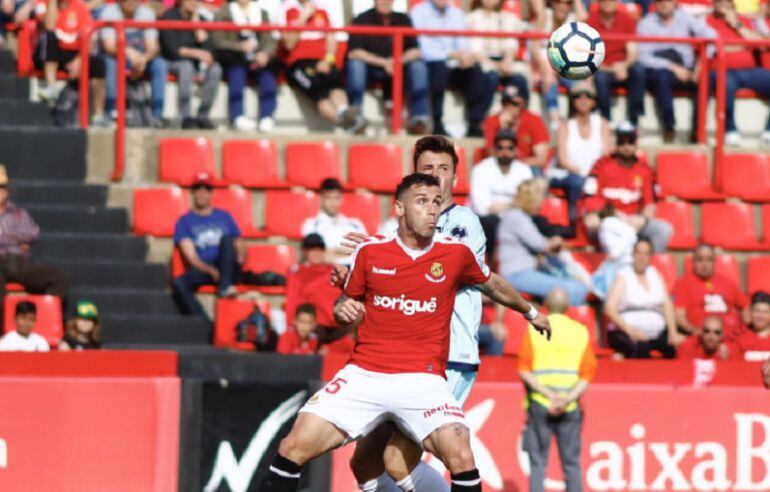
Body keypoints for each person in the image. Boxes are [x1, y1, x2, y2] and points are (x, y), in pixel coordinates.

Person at [259, 173, 552, 491]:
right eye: (422, 201)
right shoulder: (370, 252)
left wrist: (530, 311)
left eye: (437, 202)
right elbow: (348, 304)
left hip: (422, 379)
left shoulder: (455, 253)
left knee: (460, 452)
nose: (431, 210)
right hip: (365, 374)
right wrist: (343, 310)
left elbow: (492, 283)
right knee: (293, 446)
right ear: (399, 207)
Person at [333, 135, 491, 491]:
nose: (436, 176)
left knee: (397, 459)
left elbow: (443, 266)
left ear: (456, 178)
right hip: (399, 362)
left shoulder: (464, 224)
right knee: (364, 463)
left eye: (444, 169)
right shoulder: (398, 234)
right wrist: (356, 273)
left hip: (449, 357)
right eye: (427, 170)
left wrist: (377, 249)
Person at [519, 287, 596, 492]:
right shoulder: (580, 331)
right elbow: (587, 375)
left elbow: (524, 371)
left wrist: (550, 396)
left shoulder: (532, 329)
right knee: (571, 464)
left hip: (540, 404)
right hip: (570, 407)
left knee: (538, 464)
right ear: (568, 307)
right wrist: (565, 399)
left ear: (546, 306)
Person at [582, 122, 672, 252]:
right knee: (605, 225)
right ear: (616, 143)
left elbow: (650, 203)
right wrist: (613, 214)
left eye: (630, 142)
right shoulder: (601, 166)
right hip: (607, 218)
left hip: (633, 221)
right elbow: (590, 199)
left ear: (636, 143)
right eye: (622, 142)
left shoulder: (646, 170)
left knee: (664, 229)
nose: (626, 146)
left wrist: (642, 219)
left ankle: (646, 268)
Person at [278, 0, 365, 133]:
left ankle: (346, 114)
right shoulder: (287, 9)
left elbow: (331, 38)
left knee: (337, 88)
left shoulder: (321, 10)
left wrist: (328, 59)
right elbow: (289, 43)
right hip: (299, 63)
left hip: (323, 62)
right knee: (321, 95)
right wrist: (303, 17)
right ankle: (346, 123)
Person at [499, 179, 589, 306]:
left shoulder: (521, 216)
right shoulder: (516, 217)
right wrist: (556, 241)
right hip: (516, 275)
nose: (541, 202)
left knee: (574, 282)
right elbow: (540, 244)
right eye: (539, 198)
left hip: (525, 273)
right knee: (575, 289)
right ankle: (562, 322)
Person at [346, 0, 430, 134]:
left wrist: (397, 61)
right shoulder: (362, 18)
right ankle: (355, 117)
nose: (385, 1)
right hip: (371, 69)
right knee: (355, 65)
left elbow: (416, 51)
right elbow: (354, 52)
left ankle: (419, 119)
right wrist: (384, 63)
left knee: (418, 66)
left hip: (398, 67)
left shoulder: (403, 19)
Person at [636, 0, 715, 143]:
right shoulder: (646, 23)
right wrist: (672, 66)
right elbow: (642, 56)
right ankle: (669, 128)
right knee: (662, 77)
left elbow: (712, 36)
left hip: (688, 68)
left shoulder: (685, 18)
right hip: (661, 69)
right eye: (661, 0)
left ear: (675, 2)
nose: (665, 3)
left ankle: (698, 131)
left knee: (706, 78)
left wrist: (701, 63)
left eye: (669, 0)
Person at [172, 171, 245, 316]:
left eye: (206, 189)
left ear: (212, 193)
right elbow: (191, 256)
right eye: (198, 189)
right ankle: (203, 322)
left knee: (226, 239)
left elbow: (239, 243)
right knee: (180, 283)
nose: (202, 193)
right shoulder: (184, 221)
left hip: (228, 265)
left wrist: (239, 261)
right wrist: (210, 271)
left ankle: (225, 286)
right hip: (205, 268)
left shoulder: (224, 216)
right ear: (192, 192)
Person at [411, 0, 488, 137]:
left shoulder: (456, 14)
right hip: (432, 63)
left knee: (476, 72)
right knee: (439, 69)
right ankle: (437, 121)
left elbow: (464, 43)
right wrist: (449, 54)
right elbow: (421, 48)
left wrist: (464, 56)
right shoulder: (418, 12)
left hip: (455, 64)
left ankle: (475, 123)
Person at [0, 165, 71, 307]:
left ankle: (40, 316)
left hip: (20, 262)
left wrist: (6, 236)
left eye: (2, 186)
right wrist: (16, 239)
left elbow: (33, 233)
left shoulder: (18, 213)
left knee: (61, 278)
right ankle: (6, 320)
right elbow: (25, 235)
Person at [707, 0, 770, 146]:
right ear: (714, 5)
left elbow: (760, 43)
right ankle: (730, 130)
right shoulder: (708, 21)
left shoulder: (743, 21)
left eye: (727, 3)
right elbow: (715, 47)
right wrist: (743, 46)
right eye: (720, 3)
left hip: (750, 71)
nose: (723, 6)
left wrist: (736, 24)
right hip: (723, 70)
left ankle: (769, 131)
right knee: (726, 84)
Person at [34, 0, 107, 126]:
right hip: (50, 52)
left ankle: (98, 116)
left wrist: (80, 59)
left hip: (76, 53)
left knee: (98, 64)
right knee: (50, 37)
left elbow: (88, 34)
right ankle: (51, 87)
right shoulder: (42, 3)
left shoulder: (80, 6)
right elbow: (49, 26)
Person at [604, 238, 680, 358]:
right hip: (627, 332)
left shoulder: (655, 275)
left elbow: (667, 304)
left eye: (646, 253)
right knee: (641, 350)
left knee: (673, 348)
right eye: (638, 252)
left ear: (650, 256)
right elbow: (610, 308)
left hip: (656, 334)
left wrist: (673, 331)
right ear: (633, 255)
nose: (642, 257)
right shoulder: (623, 276)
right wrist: (631, 331)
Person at [212, 0, 278, 132]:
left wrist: (265, 53)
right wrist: (239, 46)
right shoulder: (224, 12)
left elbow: (269, 39)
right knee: (237, 74)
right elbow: (218, 40)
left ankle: (267, 117)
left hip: (257, 57)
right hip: (233, 57)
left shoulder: (261, 12)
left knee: (267, 76)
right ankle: (238, 116)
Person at [550, 82, 612, 222]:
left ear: (594, 101)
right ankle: (575, 222)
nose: (583, 100)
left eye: (588, 96)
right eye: (578, 97)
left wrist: (594, 174)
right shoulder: (565, 126)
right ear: (572, 101)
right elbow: (562, 160)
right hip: (568, 174)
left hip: (595, 174)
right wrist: (585, 172)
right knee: (578, 182)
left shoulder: (602, 124)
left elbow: (608, 155)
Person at [285, 233, 353, 355]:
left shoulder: (335, 270)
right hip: (314, 325)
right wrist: (291, 325)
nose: (316, 252)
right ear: (305, 251)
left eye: (320, 248)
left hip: (337, 323)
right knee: (310, 340)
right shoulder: (297, 272)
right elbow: (292, 301)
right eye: (312, 249)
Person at [471, 128, 534, 260]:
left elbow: (529, 205)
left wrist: (504, 207)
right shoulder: (481, 169)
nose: (505, 152)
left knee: (540, 221)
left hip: (515, 218)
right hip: (489, 221)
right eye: (500, 148)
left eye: (509, 148)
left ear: (516, 150)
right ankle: (494, 264)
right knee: (490, 222)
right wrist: (514, 205)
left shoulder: (524, 171)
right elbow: (482, 208)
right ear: (494, 149)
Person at [100, 0, 168, 123]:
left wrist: (143, 60)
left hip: (140, 58)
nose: (131, 2)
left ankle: (157, 115)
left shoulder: (147, 14)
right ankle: (112, 111)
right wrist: (126, 51)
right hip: (116, 57)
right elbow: (108, 46)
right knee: (109, 64)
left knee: (160, 65)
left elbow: (152, 46)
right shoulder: (109, 12)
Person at [159, 0, 222, 129]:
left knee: (216, 69)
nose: (194, 3)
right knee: (186, 66)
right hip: (174, 61)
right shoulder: (169, 16)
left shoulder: (202, 20)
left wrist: (197, 27)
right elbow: (171, 49)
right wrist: (196, 53)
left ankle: (203, 116)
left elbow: (209, 50)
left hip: (198, 64)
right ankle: (185, 116)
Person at [467, 0, 530, 119]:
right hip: (483, 62)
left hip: (505, 61)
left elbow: (511, 44)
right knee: (491, 77)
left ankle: (522, 119)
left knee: (520, 79)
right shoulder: (472, 18)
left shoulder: (508, 18)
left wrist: (507, 60)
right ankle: (480, 120)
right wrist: (496, 65)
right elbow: (475, 50)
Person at [672, 243, 749, 341]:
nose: (705, 264)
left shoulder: (727, 283)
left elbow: (746, 307)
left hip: (731, 339)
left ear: (714, 261)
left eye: (709, 260)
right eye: (700, 260)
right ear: (693, 261)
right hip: (700, 339)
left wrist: (742, 331)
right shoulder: (682, 284)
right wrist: (695, 331)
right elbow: (678, 316)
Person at [588, 0, 646, 124]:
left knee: (638, 70)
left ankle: (634, 119)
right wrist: (611, 69)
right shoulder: (590, 22)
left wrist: (624, 65)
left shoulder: (627, 19)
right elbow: (589, 57)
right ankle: (605, 121)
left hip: (623, 66)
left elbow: (633, 52)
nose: (608, 2)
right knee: (600, 78)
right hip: (602, 67)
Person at [483, 85, 550, 170]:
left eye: (514, 104)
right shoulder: (492, 121)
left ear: (523, 104)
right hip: (499, 167)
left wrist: (516, 167)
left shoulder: (534, 120)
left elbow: (541, 160)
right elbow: (491, 156)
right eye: (505, 103)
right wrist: (503, 129)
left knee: (535, 172)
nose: (509, 107)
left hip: (526, 167)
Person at [300, 178, 367, 262]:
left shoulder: (356, 224)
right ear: (320, 198)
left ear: (342, 198)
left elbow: (365, 254)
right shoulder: (311, 225)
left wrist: (332, 251)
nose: (333, 202)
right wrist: (349, 252)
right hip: (327, 272)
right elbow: (316, 259)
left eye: (336, 198)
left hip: (353, 272)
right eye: (329, 198)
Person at [737, 291, 770, 361]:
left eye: (765, 312)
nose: (760, 316)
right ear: (751, 312)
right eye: (757, 311)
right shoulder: (739, 336)